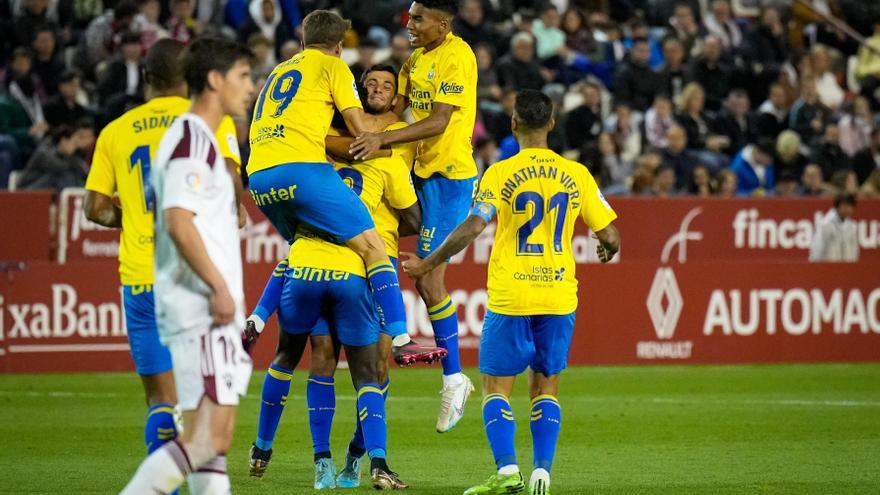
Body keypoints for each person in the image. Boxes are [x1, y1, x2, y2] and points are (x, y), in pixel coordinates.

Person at [402, 89, 620, 495]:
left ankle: (507, 472)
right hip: (558, 296)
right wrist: (607, 247)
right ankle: (542, 472)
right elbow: (609, 232)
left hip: (511, 295)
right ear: (552, 123)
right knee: (546, 388)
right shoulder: (577, 174)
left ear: (514, 123)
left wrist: (429, 264)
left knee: (496, 388)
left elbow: (474, 225)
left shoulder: (501, 173)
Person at [245, 66, 438, 488]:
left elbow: (411, 215)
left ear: (396, 96)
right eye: (370, 83)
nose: (377, 90)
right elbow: (417, 217)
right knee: (349, 365)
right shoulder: (379, 155)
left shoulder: (325, 153)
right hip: (365, 266)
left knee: (357, 366)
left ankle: (343, 456)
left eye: (387, 85)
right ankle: (358, 461)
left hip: (318, 260)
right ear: (355, 92)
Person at [84, 38, 242, 481]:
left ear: (147, 78)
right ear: (190, 74)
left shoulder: (115, 130)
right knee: (206, 408)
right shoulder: (207, 120)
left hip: (140, 277)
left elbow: (94, 209)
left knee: (161, 401)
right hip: (193, 278)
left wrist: (134, 214)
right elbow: (229, 181)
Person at [245, 10, 418, 374]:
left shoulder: (278, 70)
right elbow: (358, 127)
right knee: (373, 248)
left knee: (303, 247)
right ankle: (402, 338)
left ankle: (257, 318)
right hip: (303, 170)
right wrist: (385, 142)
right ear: (339, 45)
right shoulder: (334, 66)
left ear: (304, 41)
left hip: (259, 177)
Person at [349, 0, 479, 433]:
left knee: (427, 277)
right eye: (409, 17)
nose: (410, 24)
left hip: (449, 178)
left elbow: (439, 121)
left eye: (418, 19)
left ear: (442, 23)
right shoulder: (414, 60)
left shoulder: (457, 57)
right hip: (419, 172)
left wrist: (381, 139)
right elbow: (391, 108)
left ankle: (455, 378)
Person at [809, 193, 859, 262]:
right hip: (828, 269)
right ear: (837, 206)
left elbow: (854, 250)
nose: (848, 209)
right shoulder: (825, 224)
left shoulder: (852, 226)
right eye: (845, 206)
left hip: (847, 269)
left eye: (850, 206)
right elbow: (817, 250)